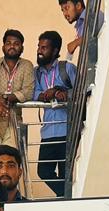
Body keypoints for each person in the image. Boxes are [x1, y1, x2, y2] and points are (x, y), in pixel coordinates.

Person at [33, 31, 78, 198]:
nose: (39, 51)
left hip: (68, 131)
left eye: (44, 48)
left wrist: (62, 92)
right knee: (43, 171)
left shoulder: (67, 68)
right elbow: (33, 93)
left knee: (65, 174)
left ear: (55, 50)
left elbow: (82, 91)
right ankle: (68, 196)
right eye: (39, 47)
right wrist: (46, 95)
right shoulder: (36, 72)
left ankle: (65, 199)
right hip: (48, 132)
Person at [0, 29, 35, 146]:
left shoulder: (27, 66)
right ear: (3, 47)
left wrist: (5, 98)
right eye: (8, 43)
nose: (12, 46)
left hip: (14, 123)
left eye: (16, 44)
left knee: (10, 157)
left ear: (22, 48)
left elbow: (28, 91)